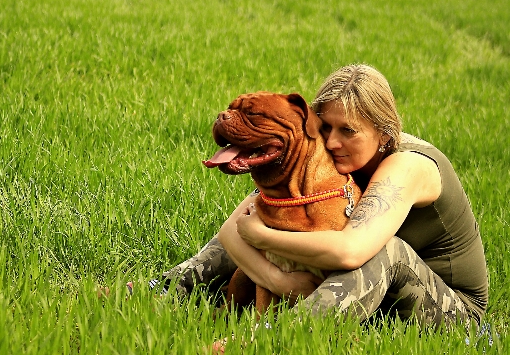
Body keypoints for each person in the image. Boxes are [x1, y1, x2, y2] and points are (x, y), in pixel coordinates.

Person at [154, 64, 488, 328]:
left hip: (450, 310)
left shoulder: (407, 166)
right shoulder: (327, 157)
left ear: (385, 135)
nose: (331, 142)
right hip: (368, 295)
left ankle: (276, 338)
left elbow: (349, 253)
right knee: (279, 213)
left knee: (385, 250)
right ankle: (162, 290)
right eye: (325, 127)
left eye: (349, 131)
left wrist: (263, 237)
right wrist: (277, 278)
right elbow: (234, 229)